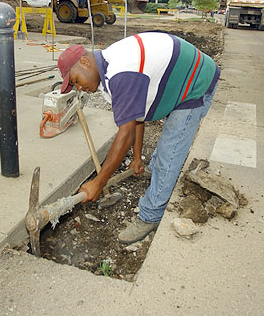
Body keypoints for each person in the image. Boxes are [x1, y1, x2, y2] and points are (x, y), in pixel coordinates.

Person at [57, 32, 220, 244]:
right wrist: (136, 158)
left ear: (85, 62)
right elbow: (136, 117)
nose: (79, 88)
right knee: (166, 148)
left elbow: (125, 135)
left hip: (196, 81)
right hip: (182, 76)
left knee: (172, 148)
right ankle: (154, 170)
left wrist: (99, 182)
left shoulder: (121, 72)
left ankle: (150, 216)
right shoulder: (109, 71)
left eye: (76, 80)